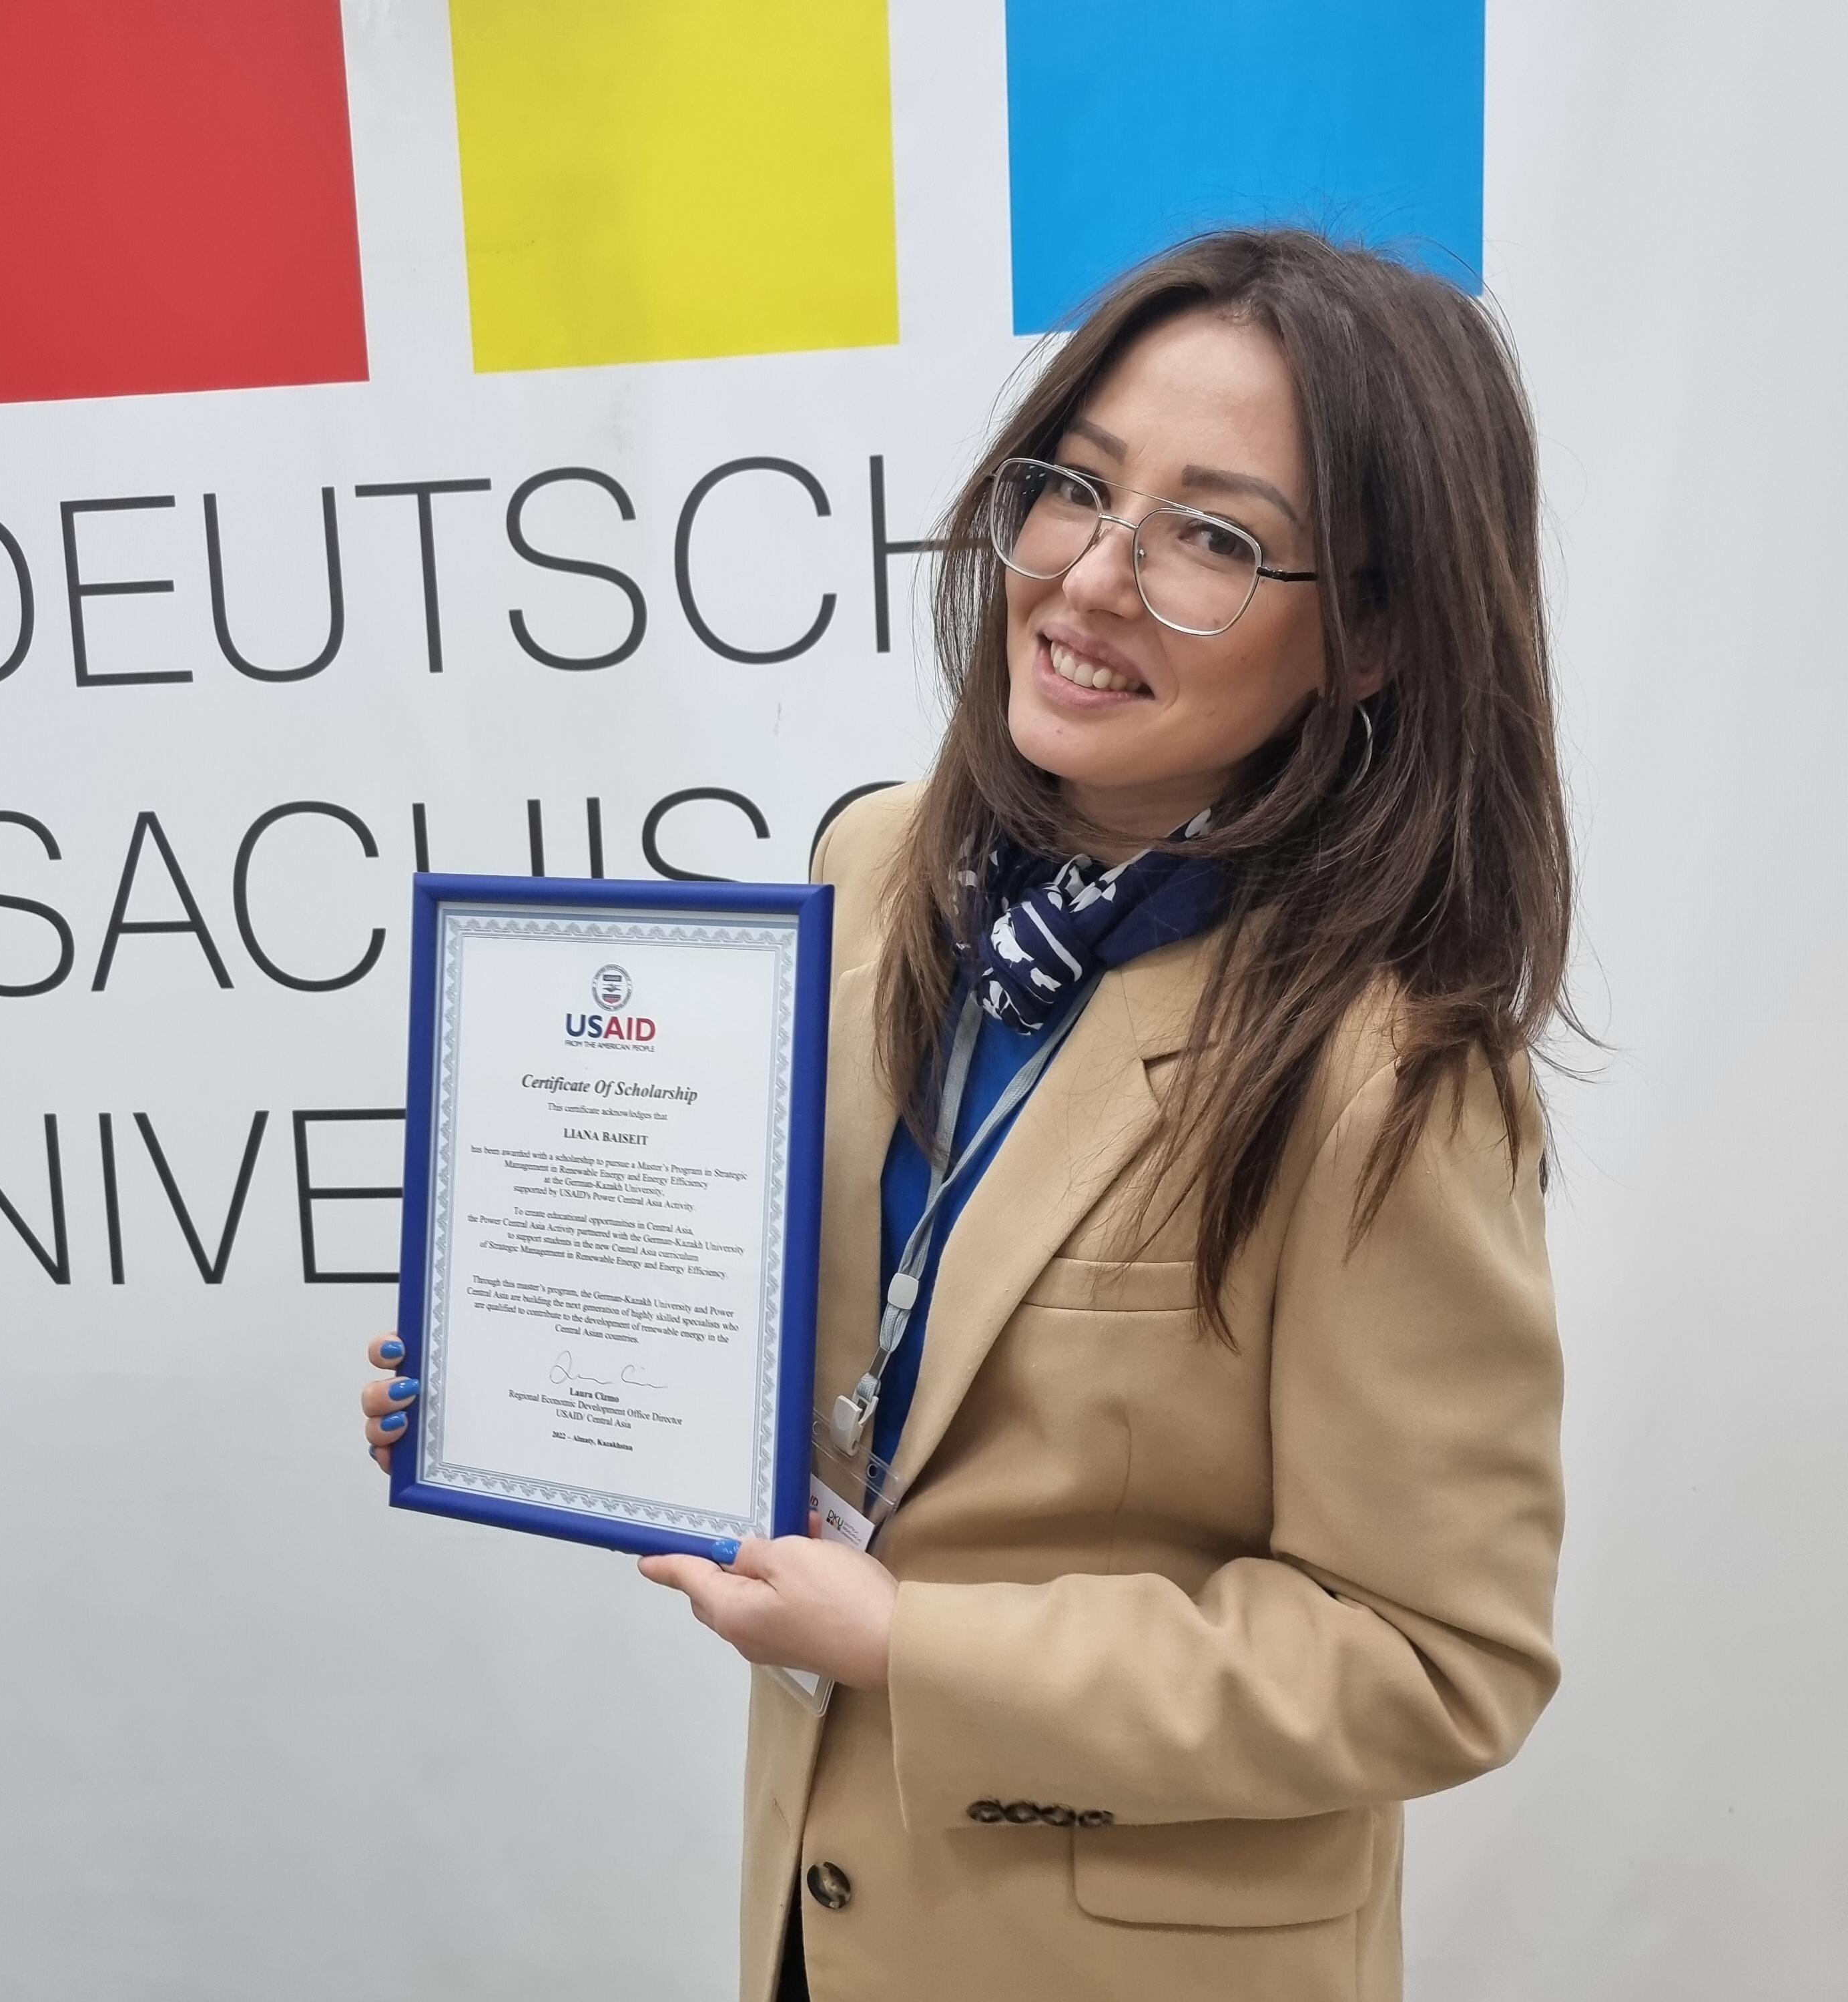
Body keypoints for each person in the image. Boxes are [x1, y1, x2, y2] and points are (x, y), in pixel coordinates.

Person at [362, 228, 1573, 2002]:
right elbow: (837, 1343)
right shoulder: (879, 865)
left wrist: (913, 1645)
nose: (1090, 577)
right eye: (1075, 487)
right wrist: (525, 1373)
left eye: (1214, 538)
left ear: (1375, 635)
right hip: (823, 1911)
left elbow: (1433, 1659)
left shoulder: (1386, 1067)